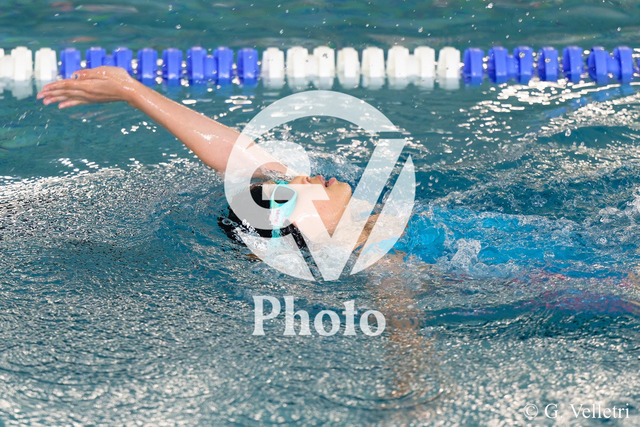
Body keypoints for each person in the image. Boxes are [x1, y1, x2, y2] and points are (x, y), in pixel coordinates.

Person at [37, 66, 380, 261]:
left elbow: (234, 152)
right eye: (287, 192)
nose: (300, 176)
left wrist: (133, 92)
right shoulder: (377, 259)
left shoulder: (353, 234)